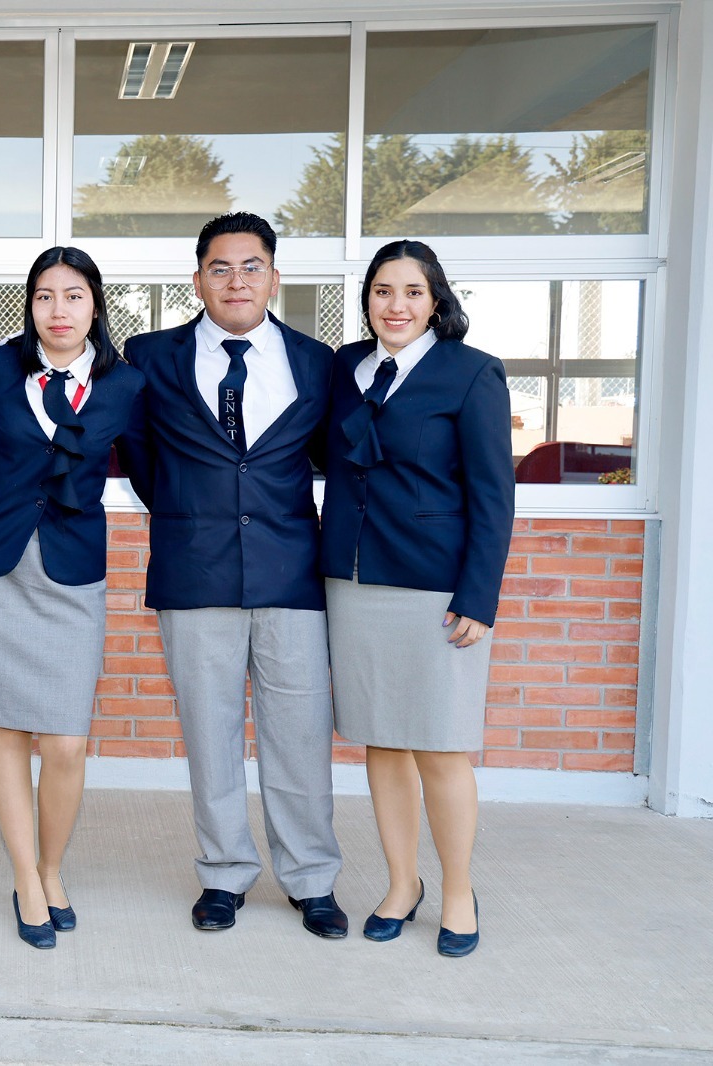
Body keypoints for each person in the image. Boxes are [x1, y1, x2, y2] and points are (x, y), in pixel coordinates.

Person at [117, 211, 347, 940]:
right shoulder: (149, 355)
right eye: (221, 267)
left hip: (292, 577)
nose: (237, 280)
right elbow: (145, 462)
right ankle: (223, 874)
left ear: (274, 278)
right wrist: (196, 515)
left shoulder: (319, 363)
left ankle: (311, 879)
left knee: (299, 735)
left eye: (252, 267)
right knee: (210, 732)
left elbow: (331, 463)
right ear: (198, 279)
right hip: (195, 573)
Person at [0, 247, 143, 949]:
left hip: (69, 573)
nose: (59, 310)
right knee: (5, 731)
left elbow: (152, 471)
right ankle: (28, 877)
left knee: (65, 742)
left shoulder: (125, 386)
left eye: (74, 296)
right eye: (45, 296)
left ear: (95, 306)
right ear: (30, 305)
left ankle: (52, 866)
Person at [320, 240, 514, 958]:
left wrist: (479, 596)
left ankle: (457, 889)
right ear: (366, 299)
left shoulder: (472, 374)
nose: (394, 306)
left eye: (410, 291)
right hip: (355, 579)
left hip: (437, 589)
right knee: (382, 742)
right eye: (381, 291)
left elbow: (495, 495)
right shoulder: (347, 367)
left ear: (436, 300)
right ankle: (403, 883)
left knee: (440, 749)